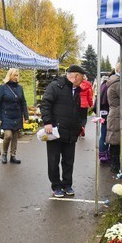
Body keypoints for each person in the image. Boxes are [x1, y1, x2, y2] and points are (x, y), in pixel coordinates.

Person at [40, 65, 85, 198]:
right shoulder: (55, 86)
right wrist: (47, 122)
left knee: (68, 161)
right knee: (53, 160)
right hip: (55, 131)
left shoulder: (76, 90)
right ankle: (56, 185)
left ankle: (67, 184)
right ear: (75, 76)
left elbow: (77, 110)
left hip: (71, 131)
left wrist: (80, 125)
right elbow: (45, 104)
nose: (83, 80)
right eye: (82, 77)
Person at [0, 68, 29, 164]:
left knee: (15, 137)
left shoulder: (20, 88)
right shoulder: (3, 87)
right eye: (15, 75)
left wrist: (26, 116)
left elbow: (23, 102)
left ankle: (13, 156)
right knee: (8, 135)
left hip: (17, 115)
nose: (16, 77)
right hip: (6, 115)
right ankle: (4, 154)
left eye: (17, 75)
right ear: (10, 75)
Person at [97, 72, 113, 164]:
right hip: (109, 112)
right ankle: (104, 156)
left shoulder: (103, 84)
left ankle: (102, 155)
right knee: (105, 135)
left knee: (103, 134)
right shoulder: (110, 85)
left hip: (103, 112)